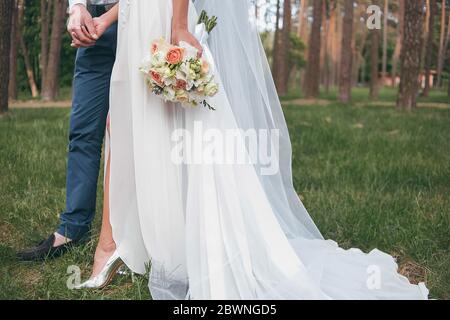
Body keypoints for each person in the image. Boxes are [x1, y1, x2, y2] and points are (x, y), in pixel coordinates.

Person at [18, 0, 119, 261]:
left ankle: (136, 229)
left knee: (135, 134)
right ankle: (73, 227)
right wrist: (77, 8)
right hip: (92, 27)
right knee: (83, 130)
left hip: (138, 26)